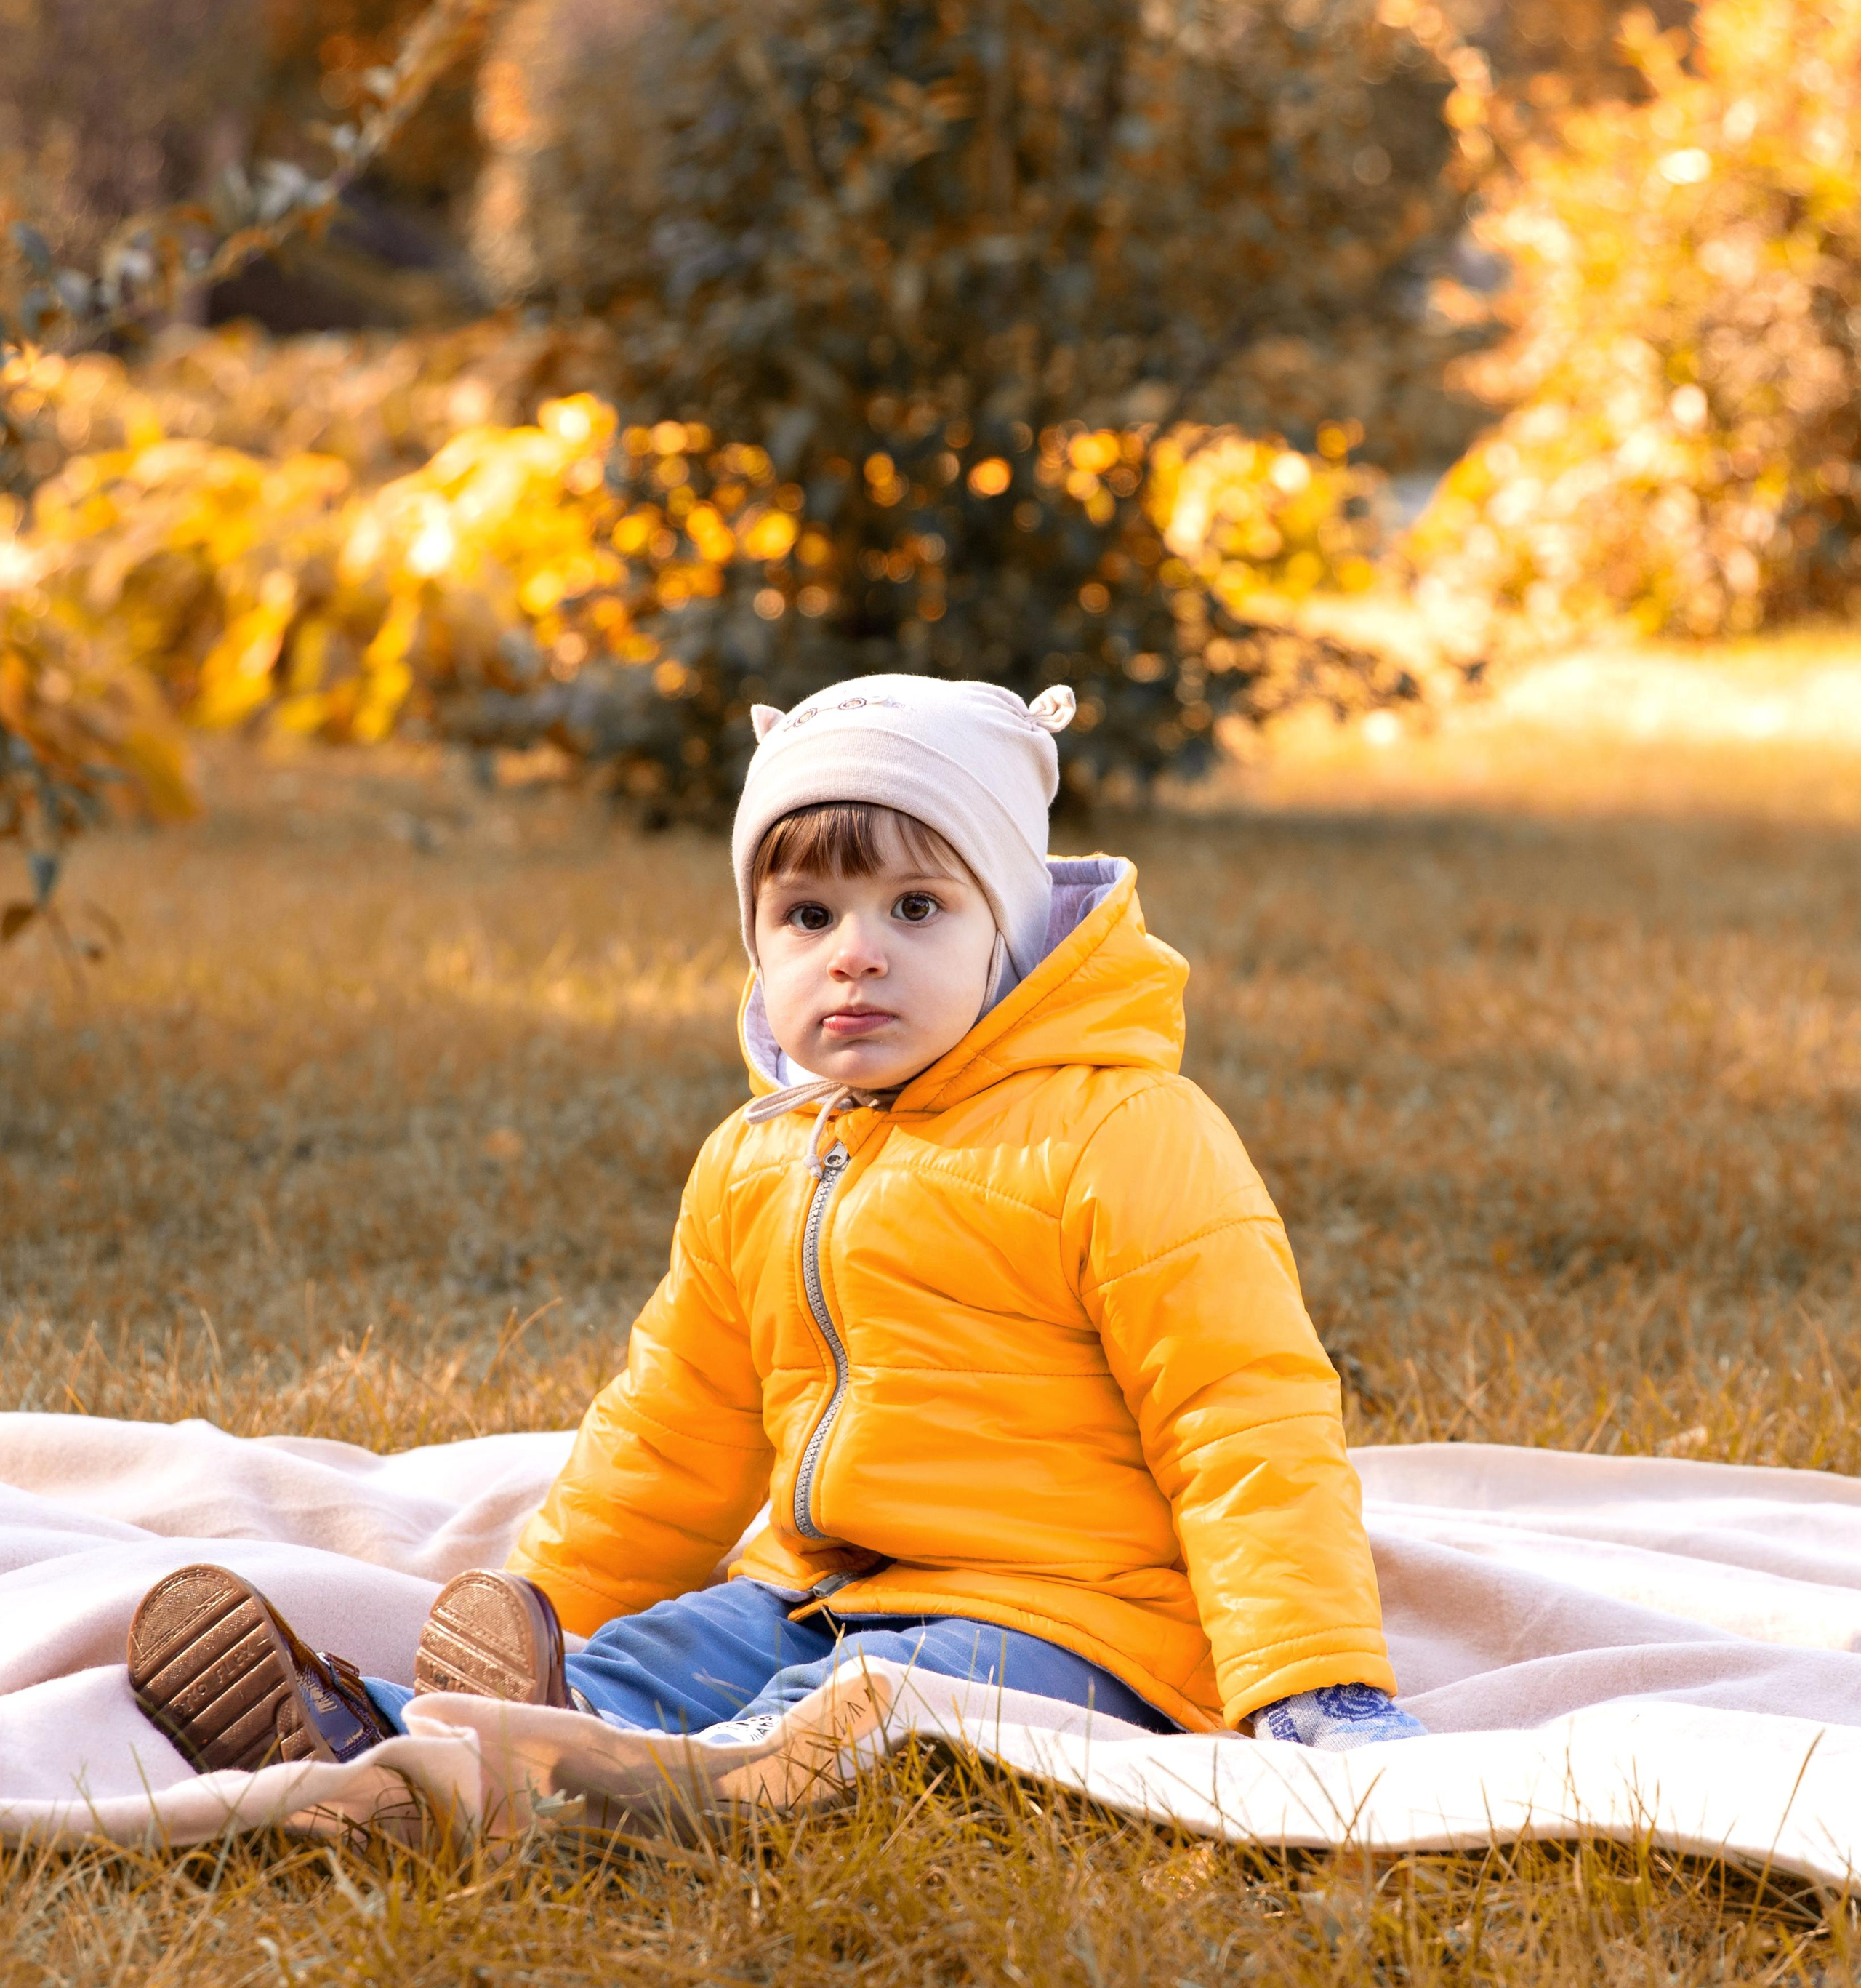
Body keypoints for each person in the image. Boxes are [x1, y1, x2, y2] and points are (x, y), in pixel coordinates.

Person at [127, 676, 1423, 1773]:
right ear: (759, 945)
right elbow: (673, 1426)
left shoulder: (1122, 1131)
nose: (854, 953)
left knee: (868, 1704)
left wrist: (1311, 1678)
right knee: (669, 1653)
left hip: (1070, 1621)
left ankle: (672, 1785)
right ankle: (402, 1732)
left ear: (1010, 930)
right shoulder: (758, 1161)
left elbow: (1241, 1411)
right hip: (821, 1591)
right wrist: (548, 1608)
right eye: (808, 917)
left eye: (916, 909)